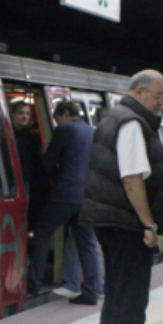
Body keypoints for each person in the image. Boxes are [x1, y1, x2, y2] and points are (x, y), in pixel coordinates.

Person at [82, 70, 163, 324]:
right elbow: (132, 179)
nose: (162, 103)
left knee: (117, 303)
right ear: (140, 91)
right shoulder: (133, 124)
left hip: (111, 221)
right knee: (131, 307)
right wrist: (148, 224)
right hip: (127, 225)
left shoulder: (114, 117)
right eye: (158, 96)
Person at [28, 100, 101, 304]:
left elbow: (49, 163)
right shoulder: (91, 131)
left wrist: (52, 168)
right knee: (86, 243)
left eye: (57, 119)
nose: (57, 123)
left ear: (66, 113)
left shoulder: (65, 130)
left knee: (42, 232)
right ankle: (91, 291)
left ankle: (33, 284)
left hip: (65, 194)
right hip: (86, 195)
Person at [12, 101, 49, 234]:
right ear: (13, 115)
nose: (24, 116)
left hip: (26, 180)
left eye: (27, 113)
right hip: (12, 181)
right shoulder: (6, 135)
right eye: (21, 113)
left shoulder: (31, 137)